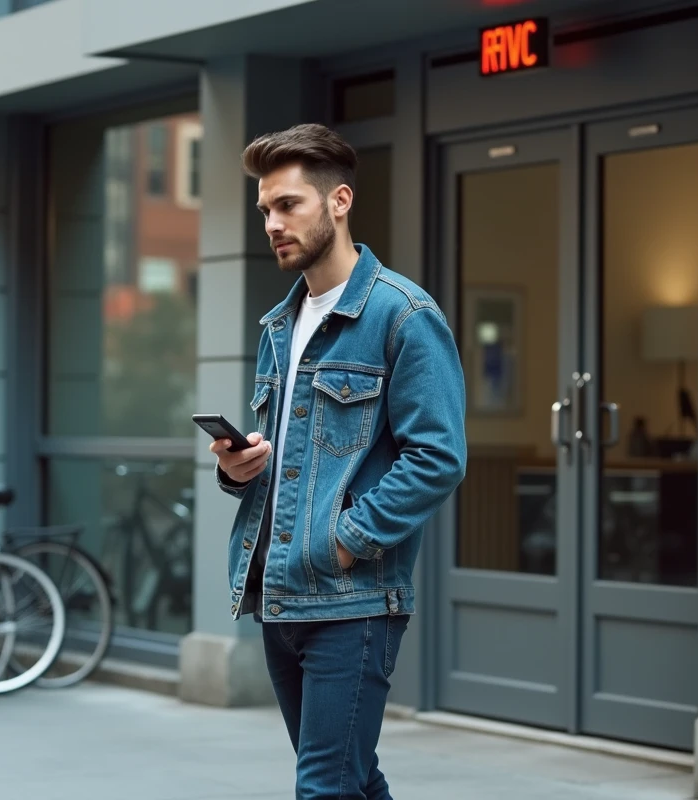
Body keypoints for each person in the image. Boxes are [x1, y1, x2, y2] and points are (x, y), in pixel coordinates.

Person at [210, 123, 467, 799]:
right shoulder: (279, 325)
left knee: (323, 788)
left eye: (288, 204)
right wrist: (242, 468)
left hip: (351, 602)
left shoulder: (403, 316)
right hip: (278, 596)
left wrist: (348, 540)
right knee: (351, 779)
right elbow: (294, 460)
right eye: (264, 208)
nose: (271, 222)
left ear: (339, 201)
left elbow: (438, 456)